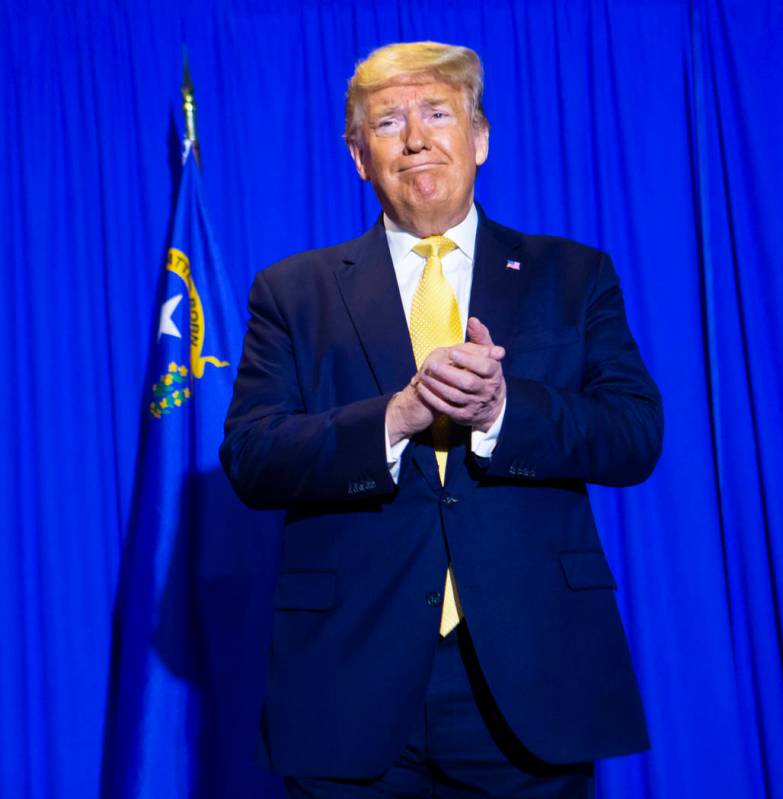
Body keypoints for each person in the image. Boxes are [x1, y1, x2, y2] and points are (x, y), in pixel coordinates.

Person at [221, 41, 662, 799]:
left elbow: (631, 435)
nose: (416, 138)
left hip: (529, 676)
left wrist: (500, 410)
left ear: (480, 137)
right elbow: (254, 458)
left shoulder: (572, 274)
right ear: (359, 157)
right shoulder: (291, 292)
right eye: (387, 122)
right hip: (348, 677)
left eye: (437, 113)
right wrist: (393, 417)